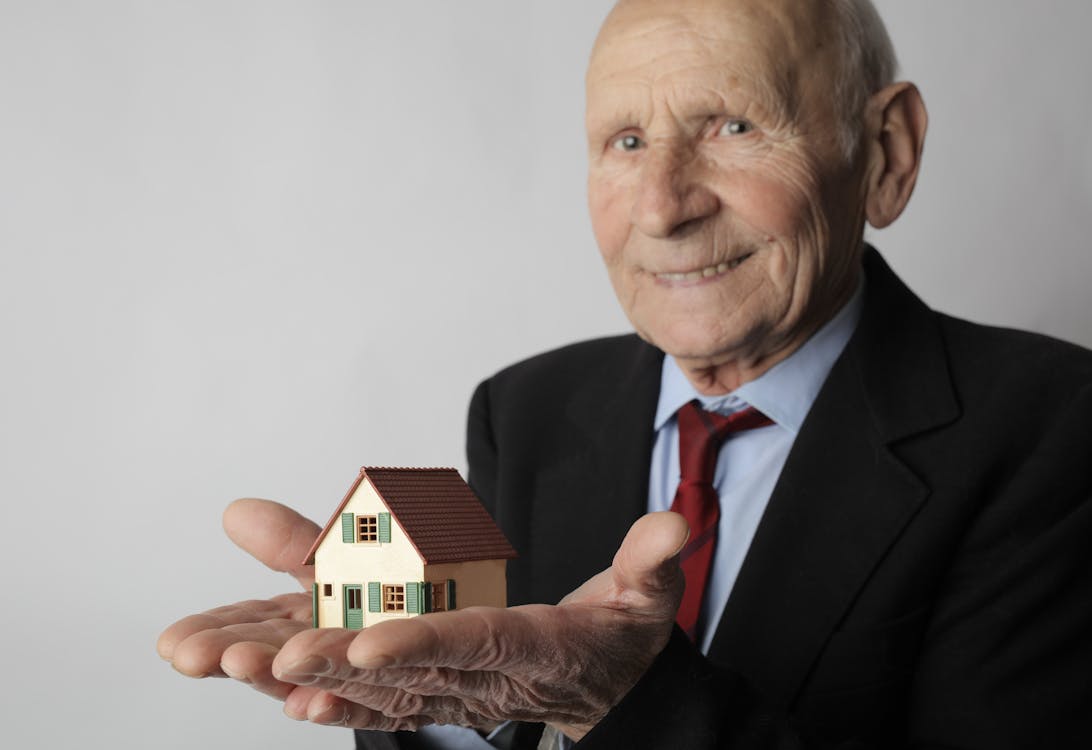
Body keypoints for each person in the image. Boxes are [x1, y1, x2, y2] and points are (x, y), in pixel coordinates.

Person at [158, 0, 1092, 747]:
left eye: (730, 124)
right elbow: (493, 691)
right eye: (627, 141)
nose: (661, 207)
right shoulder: (524, 409)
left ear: (885, 154)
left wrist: (616, 700)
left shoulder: (1054, 428)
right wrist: (440, 694)